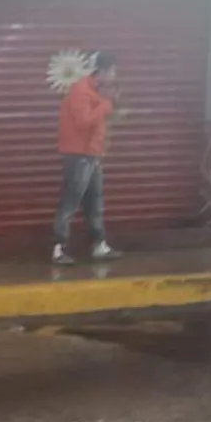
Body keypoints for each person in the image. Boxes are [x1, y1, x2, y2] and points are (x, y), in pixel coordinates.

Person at [52, 51, 123, 265]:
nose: (114, 75)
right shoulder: (80, 91)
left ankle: (99, 245)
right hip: (79, 156)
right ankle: (58, 248)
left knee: (94, 203)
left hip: (92, 155)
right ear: (101, 71)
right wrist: (106, 105)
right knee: (70, 203)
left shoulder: (95, 92)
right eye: (112, 71)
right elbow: (84, 122)